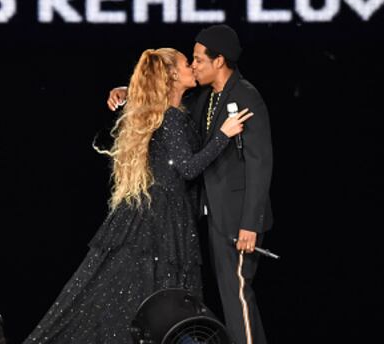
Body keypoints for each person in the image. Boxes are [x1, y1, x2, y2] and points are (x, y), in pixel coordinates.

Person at [23, 48, 252, 344]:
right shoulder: (170, 117)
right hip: (160, 219)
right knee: (160, 302)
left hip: (157, 215)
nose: (193, 68)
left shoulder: (169, 110)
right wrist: (224, 134)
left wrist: (126, 91)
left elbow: (152, 94)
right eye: (187, 64)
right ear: (172, 74)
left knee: (152, 300)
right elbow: (188, 168)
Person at [107, 25, 273, 344]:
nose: (194, 66)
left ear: (219, 60)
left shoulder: (245, 96)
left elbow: (260, 163)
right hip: (215, 219)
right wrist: (128, 91)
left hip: (239, 222)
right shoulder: (205, 100)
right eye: (191, 61)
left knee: (238, 297)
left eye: (197, 59)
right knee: (228, 297)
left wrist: (251, 223)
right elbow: (163, 97)